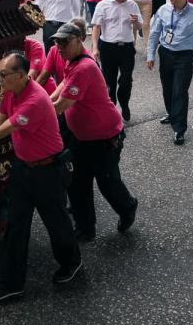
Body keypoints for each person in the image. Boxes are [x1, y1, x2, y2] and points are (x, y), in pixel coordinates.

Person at [0, 52, 81, 303]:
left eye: (3, 75)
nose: (0, 79)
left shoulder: (35, 101)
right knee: (14, 226)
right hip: (23, 167)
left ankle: (71, 263)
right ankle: (11, 283)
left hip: (47, 172)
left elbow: (4, 131)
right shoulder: (12, 91)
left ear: (21, 75)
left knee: (57, 223)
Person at [50, 23, 137, 242]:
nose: (59, 47)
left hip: (103, 137)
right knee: (77, 183)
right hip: (80, 136)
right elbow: (59, 90)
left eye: (64, 42)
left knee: (107, 183)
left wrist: (34, 116)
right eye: (57, 42)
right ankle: (85, 228)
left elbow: (62, 104)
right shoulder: (73, 61)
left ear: (79, 40)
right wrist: (41, 102)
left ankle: (127, 207)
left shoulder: (84, 67)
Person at [147, 0, 193, 145]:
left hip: (184, 56)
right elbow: (154, 33)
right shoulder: (163, 10)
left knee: (180, 91)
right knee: (167, 89)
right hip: (165, 53)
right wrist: (151, 55)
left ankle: (179, 129)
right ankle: (171, 113)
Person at [91, 0, 142, 121]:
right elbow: (97, 27)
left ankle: (124, 104)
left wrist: (136, 21)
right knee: (109, 82)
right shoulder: (103, 5)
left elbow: (139, 27)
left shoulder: (132, 5)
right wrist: (95, 48)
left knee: (126, 81)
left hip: (126, 48)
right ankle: (111, 110)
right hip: (108, 48)